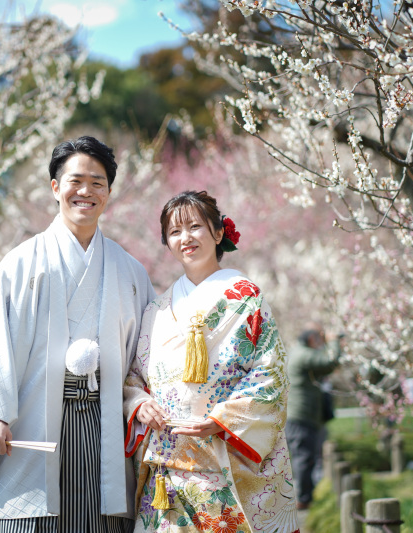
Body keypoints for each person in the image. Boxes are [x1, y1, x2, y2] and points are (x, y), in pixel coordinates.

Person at [0, 136, 156, 533]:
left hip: (105, 425)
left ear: (109, 193)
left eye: (98, 183)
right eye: (76, 181)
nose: (86, 192)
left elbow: (144, 361)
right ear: (55, 187)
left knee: (104, 519)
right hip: (33, 425)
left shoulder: (130, 271)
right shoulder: (20, 263)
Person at [123, 190, 300, 533]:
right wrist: (140, 404)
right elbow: (134, 378)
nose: (185, 238)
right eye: (174, 232)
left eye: (194, 227)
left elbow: (270, 374)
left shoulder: (246, 297)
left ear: (218, 233)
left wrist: (221, 420)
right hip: (168, 467)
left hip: (225, 455)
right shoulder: (156, 310)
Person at [285, 325, 342, 510]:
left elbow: (325, 367)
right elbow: (329, 362)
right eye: (319, 339)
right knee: (303, 458)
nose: (322, 342)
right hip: (301, 417)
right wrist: (333, 341)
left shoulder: (300, 352)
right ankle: (302, 500)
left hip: (302, 416)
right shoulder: (303, 354)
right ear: (311, 340)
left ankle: (304, 497)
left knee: (305, 457)